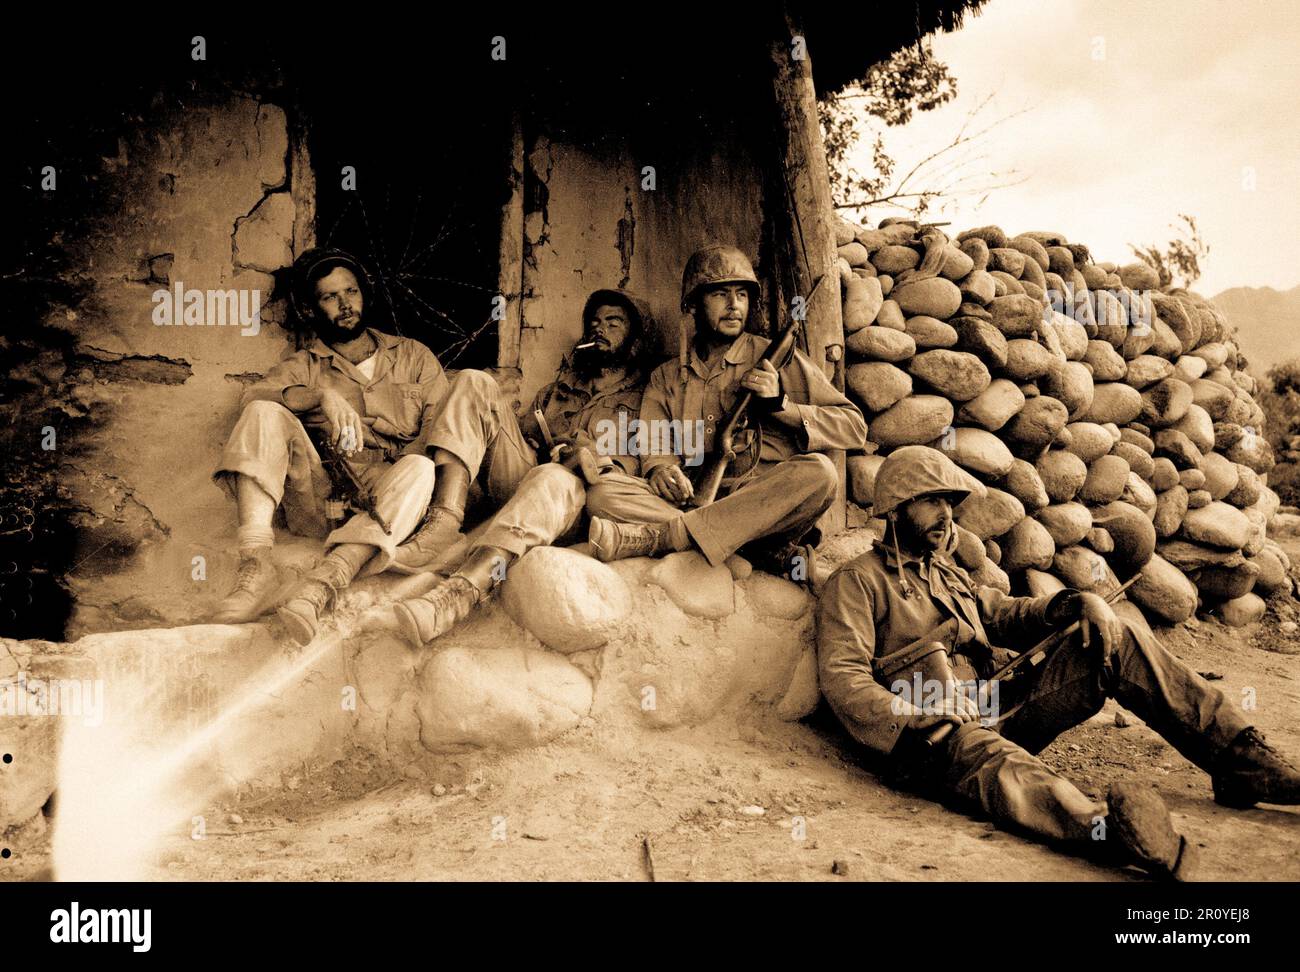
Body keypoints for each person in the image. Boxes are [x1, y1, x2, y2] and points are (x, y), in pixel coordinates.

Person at [815, 444, 1300, 879]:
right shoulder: (856, 583)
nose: (946, 515)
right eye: (932, 501)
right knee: (1001, 767)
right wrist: (922, 713)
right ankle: (1112, 832)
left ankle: (1239, 758)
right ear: (897, 507)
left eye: (949, 503)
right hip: (929, 741)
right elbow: (843, 678)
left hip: (991, 708)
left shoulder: (944, 574)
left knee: (1118, 638)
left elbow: (1001, 613)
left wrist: (1073, 603)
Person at [392, 289, 655, 646]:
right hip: (528, 484)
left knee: (552, 477)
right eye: (594, 323)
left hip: (576, 505)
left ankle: (456, 596)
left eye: (613, 323)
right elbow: (522, 438)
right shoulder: (558, 389)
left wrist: (590, 457)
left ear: (636, 339)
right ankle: (443, 522)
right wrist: (535, 442)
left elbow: (637, 474)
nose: (599, 330)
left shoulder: (645, 400)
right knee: (473, 381)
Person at [584, 244, 866, 576]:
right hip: (691, 501)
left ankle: (663, 538)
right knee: (602, 495)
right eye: (720, 294)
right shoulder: (667, 376)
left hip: (761, 500)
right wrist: (661, 471)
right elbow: (655, 446)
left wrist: (782, 406)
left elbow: (854, 427)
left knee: (820, 473)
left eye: (742, 295)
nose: (734, 306)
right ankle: (741, 548)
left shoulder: (775, 358)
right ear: (693, 304)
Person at [211, 248, 447, 643]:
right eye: (330, 297)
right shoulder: (305, 364)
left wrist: (395, 477)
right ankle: (255, 564)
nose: (345, 305)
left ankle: (329, 578)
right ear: (310, 309)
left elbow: (439, 431)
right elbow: (252, 397)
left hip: (395, 500)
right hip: (326, 500)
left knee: (422, 467)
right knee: (262, 411)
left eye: (351, 292)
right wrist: (320, 394)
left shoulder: (412, 356)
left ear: (363, 294)